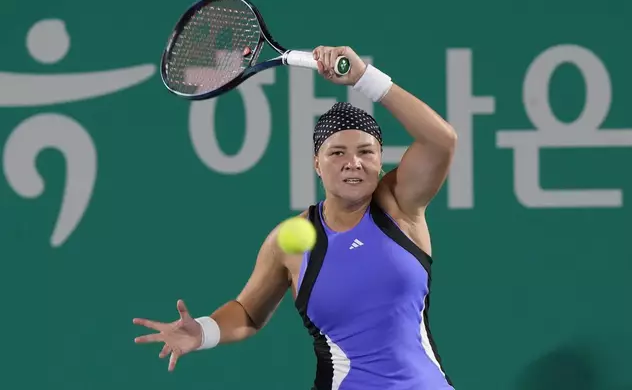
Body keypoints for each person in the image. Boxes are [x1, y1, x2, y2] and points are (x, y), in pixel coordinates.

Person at [133, 45, 458, 390]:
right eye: (337, 153)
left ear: (380, 160)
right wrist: (204, 331)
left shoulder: (400, 205)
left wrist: (364, 78)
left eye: (366, 152)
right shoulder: (288, 241)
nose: (353, 162)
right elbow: (248, 312)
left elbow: (442, 140)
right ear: (317, 163)